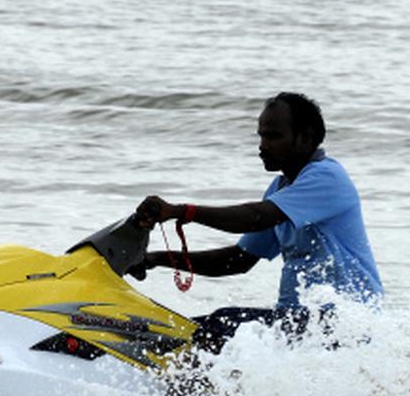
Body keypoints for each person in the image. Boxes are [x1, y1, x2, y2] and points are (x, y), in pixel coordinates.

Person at [133, 92, 382, 353]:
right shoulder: (281, 189)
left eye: (273, 136)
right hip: (298, 321)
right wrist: (155, 259)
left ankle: (197, 392)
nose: (262, 145)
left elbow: (255, 218)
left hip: (345, 323)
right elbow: (238, 260)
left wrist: (183, 211)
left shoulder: (327, 178)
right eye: (261, 135)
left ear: (306, 138)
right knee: (179, 332)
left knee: (221, 324)